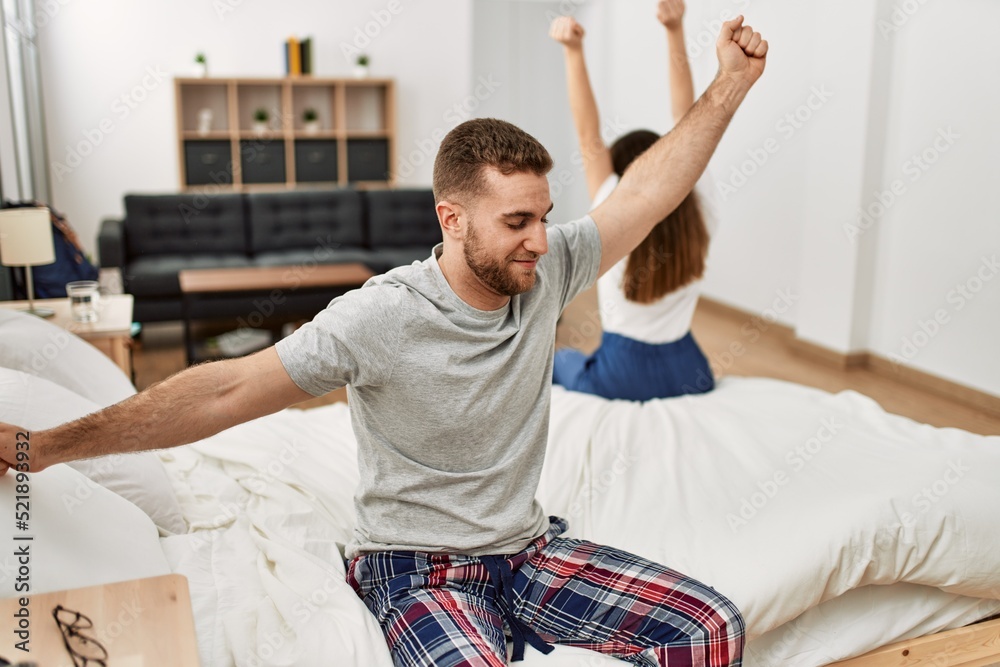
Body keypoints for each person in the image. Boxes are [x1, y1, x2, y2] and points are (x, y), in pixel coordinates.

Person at [0, 16, 767, 667]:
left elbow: (648, 189)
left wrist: (729, 82)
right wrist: (49, 446)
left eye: (544, 214)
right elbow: (226, 388)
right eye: (516, 223)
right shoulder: (380, 316)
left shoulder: (551, 264)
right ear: (452, 218)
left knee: (710, 627)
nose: (542, 240)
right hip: (418, 570)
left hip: (526, 548)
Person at [550, 0, 720, 402]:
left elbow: (588, 132)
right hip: (690, 369)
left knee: (558, 360)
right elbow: (687, 121)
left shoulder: (614, 202)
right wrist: (675, 29)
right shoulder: (699, 200)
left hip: (621, 374)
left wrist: (572, 52)